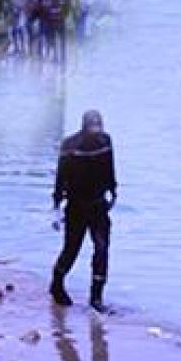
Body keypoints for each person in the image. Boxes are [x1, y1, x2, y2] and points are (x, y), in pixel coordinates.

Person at [50, 109, 116, 312]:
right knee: (71, 250)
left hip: (98, 205)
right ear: (84, 127)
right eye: (92, 129)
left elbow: (109, 167)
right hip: (76, 206)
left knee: (102, 249)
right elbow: (60, 177)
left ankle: (96, 297)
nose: (95, 133)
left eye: (98, 129)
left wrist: (113, 190)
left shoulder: (105, 141)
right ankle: (57, 283)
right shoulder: (70, 146)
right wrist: (56, 207)